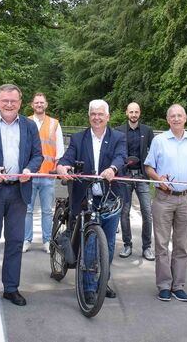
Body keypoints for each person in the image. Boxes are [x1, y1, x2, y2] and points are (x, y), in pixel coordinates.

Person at [0, 84, 42, 306]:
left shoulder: (30, 126)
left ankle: (11, 288)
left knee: (14, 241)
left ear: (20, 103)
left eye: (13, 101)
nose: (9, 104)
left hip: (18, 191)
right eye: (5, 100)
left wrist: (30, 170)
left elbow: (37, 155)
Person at [56, 99, 126, 302]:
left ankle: (102, 282)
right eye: (93, 114)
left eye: (100, 114)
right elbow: (67, 158)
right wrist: (62, 167)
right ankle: (88, 286)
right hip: (85, 197)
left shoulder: (118, 137)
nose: (97, 117)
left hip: (110, 196)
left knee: (110, 244)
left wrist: (112, 168)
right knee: (91, 242)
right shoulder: (79, 138)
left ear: (108, 117)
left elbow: (121, 157)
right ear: (89, 116)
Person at [144, 104, 187, 302]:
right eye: (173, 116)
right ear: (167, 119)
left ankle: (178, 285)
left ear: (186, 118)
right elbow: (148, 167)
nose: (177, 119)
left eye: (180, 115)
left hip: (186, 199)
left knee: (181, 245)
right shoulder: (159, 140)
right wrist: (157, 178)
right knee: (162, 244)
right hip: (163, 198)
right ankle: (163, 285)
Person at [23, 93, 64, 253]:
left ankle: (47, 241)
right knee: (27, 210)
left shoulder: (54, 123)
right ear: (32, 105)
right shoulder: (25, 122)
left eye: (42, 102)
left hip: (48, 175)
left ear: (46, 105)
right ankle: (27, 240)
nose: (39, 105)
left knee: (47, 211)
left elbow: (59, 151)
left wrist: (57, 168)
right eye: (36, 102)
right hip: (29, 175)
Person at [115, 102, 155, 260]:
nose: (133, 114)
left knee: (147, 212)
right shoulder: (118, 131)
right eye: (131, 112)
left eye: (136, 112)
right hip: (124, 177)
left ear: (140, 113)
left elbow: (155, 152)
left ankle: (147, 247)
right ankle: (127, 245)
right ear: (126, 113)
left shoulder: (147, 130)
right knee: (124, 212)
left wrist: (155, 171)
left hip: (142, 176)